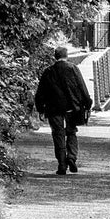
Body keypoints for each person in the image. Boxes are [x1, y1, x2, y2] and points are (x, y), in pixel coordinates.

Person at [34, 45, 93, 175]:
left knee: (58, 134)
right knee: (71, 132)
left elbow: (41, 92)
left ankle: (61, 163)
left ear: (55, 56)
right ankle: (71, 157)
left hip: (54, 108)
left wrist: (40, 109)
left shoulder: (48, 71)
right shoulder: (73, 69)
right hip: (72, 107)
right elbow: (82, 87)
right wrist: (87, 104)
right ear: (66, 56)